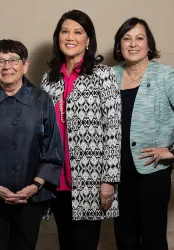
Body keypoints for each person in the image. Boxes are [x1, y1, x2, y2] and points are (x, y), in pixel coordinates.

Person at [0, 39, 64, 250]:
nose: (7, 66)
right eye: (0, 61)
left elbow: (52, 148)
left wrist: (35, 186)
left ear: (25, 65)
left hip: (30, 198)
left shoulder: (42, 100)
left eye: (13, 60)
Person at [41, 10, 121, 250]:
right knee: (64, 243)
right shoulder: (49, 79)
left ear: (88, 40)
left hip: (89, 180)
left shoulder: (103, 75)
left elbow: (113, 131)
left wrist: (109, 181)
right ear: (57, 38)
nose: (70, 37)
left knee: (84, 244)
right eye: (64, 31)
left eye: (78, 32)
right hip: (55, 179)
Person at [112, 17, 174, 250]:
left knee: (153, 238)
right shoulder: (109, 76)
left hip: (152, 173)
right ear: (119, 45)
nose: (133, 43)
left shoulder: (166, 76)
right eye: (126, 38)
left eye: (140, 38)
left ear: (149, 44)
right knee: (124, 237)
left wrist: (171, 151)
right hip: (117, 174)